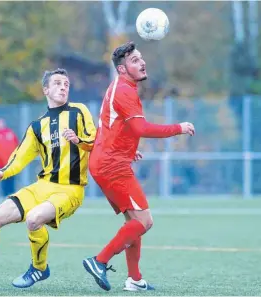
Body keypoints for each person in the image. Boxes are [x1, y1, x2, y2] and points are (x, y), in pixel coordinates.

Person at [0, 68, 97, 292]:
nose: (63, 87)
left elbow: (95, 140)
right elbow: (20, 157)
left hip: (70, 190)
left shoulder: (79, 112)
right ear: (46, 90)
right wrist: (3, 171)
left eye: (66, 84)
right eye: (58, 83)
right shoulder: (37, 126)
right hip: (42, 186)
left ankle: (39, 268)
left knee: (33, 219)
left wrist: (78, 140)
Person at [83, 42, 195, 292]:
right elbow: (141, 128)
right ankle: (99, 261)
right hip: (112, 165)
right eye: (135, 60)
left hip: (109, 161)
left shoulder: (122, 88)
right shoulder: (124, 90)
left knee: (134, 222)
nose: (142, 62)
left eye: (141, 58)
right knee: (144, 221)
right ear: (122, 69)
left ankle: (134, 279)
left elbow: (114, 128)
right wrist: (179, 128)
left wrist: (129, 149)